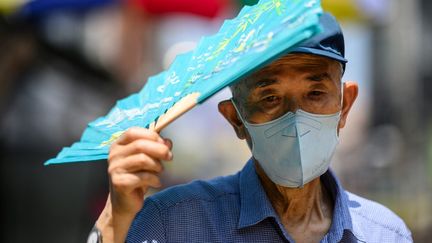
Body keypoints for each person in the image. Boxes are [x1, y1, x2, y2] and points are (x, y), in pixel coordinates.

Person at [88, 13, 413, 243]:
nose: (296, 117)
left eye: (315, 94)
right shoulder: (173, 223)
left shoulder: (385, 234)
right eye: (269, 97)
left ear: (344, 106)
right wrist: (114, 217)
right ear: (235, 119)